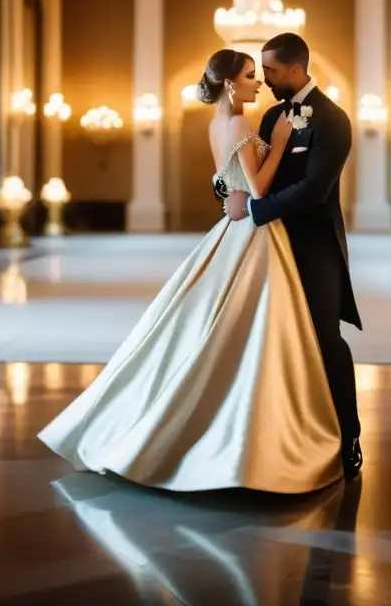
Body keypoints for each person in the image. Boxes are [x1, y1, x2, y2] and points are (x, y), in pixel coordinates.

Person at [38, 47, 350, 494]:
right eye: (250, 75)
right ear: (229, 84)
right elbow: (257, 186)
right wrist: (279, 146)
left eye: (265, 72)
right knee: (254, 326)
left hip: (239, 227)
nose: (259, 81)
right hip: (255, 232)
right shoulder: (247, 123)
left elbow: (225, 182)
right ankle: (252, 439)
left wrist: (236, 193)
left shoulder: (218, 123)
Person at [222, 32, 363, 480]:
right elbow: (254, 169)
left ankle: (349, 437)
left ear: (298, 68)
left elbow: (314, 190)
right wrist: (228, 191)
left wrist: (257, 209)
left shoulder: (333, 119)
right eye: (260, 72)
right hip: (270, 245)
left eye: (272, 71)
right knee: (273, 340)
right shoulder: (269, 116)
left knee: (325, 340)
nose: (265, 79)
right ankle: (285, 439)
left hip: (314, 246)